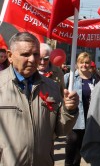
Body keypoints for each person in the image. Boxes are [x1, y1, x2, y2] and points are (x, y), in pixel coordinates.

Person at [0, 32, 79, 166]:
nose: (32, 59)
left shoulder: (51, 87)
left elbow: (61, 130)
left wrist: (69, 110)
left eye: (36, 54)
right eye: (25, 54)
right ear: (10, 56)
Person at [64, 52, 100, 166]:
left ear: (90, 64)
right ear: (77, 64)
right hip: (75, 120)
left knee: (81, 151)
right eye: (81, 62)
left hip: (90, 119)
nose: (84, 65)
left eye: (87, 62)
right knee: (71, 153)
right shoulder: (69, 77)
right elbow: (61, 95)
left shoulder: (95, 79)